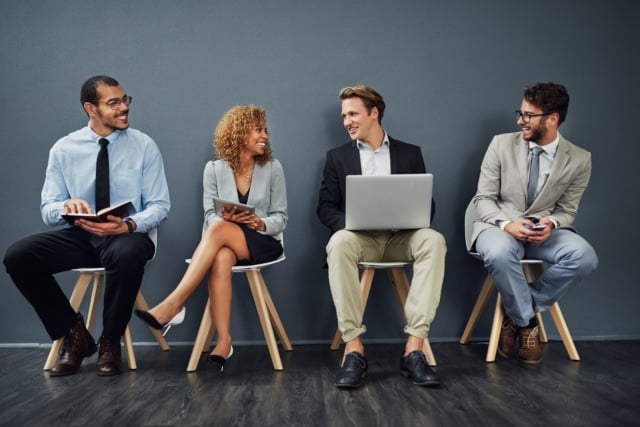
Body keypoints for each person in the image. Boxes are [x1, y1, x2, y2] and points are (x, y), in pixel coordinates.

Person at [3, 75, 171, 376]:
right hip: (83, 237)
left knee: (126, 253)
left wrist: (129, 224)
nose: (124, 108)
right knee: (19, 256)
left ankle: (110, 341)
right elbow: (48, 207)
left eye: (125, 100)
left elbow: (160, 206)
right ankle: (74, 333)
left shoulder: (144, 146)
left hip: (128, 236)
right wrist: (65, 207)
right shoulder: (64, 149)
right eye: (113, 103)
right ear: (90, 109)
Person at [135, 105, 287, 371]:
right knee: (221, 255)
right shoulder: (214, 169)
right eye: (258, 130)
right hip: (228, 240)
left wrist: (258, 222)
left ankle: (173, 305)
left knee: (217, 232)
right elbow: (210, 215)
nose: (265, 136)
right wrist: (229, 221)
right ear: (239, 134)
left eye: (266, 130)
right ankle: (224, 341)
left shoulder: (273, 168)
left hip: (265, 242)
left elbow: (281, 217)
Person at [317, 85, 446, 388]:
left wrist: (418, 210)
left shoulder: (409, 153)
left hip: (402, 238)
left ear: (374, 113)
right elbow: (325, 208)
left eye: (353, 114)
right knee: (338, 243)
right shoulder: (336, 157)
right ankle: (354, 350)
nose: (346, 121)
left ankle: (414, 350)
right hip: (361, 240)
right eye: (344, 115)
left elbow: (427, 205)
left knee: (434, 240)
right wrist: (349, 224)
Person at [466, 82, 598, 364]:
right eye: (520, 113)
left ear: (552, 119)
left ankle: (517, 316)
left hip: (543, 234)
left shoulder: (579, 159)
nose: (520, 120)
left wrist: (551, 223)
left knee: (584, 257)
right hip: (498, 228)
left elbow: (567, 211)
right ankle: (528, 324)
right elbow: (483, 198)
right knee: (500, 253)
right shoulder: (501, 144)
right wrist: (506, 225)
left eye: (528, 115)